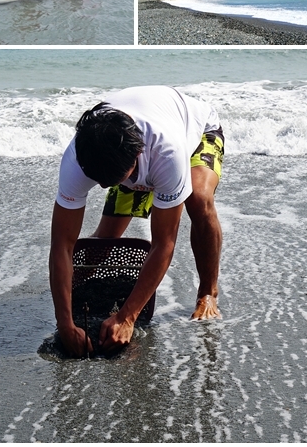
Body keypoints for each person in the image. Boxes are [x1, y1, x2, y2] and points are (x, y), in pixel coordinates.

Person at [49, 86, 224, 358]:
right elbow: (62, 245)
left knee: (199, 199)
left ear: (137, 156)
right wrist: (65, 323)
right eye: (100, 181)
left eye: (115, 179)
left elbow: (164, 243)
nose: (106, 186)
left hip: (198, 131)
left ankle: (208, 292)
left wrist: (127, 316)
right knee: (104, 242)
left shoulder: (167, 153)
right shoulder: (78, 157)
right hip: (124, 152)